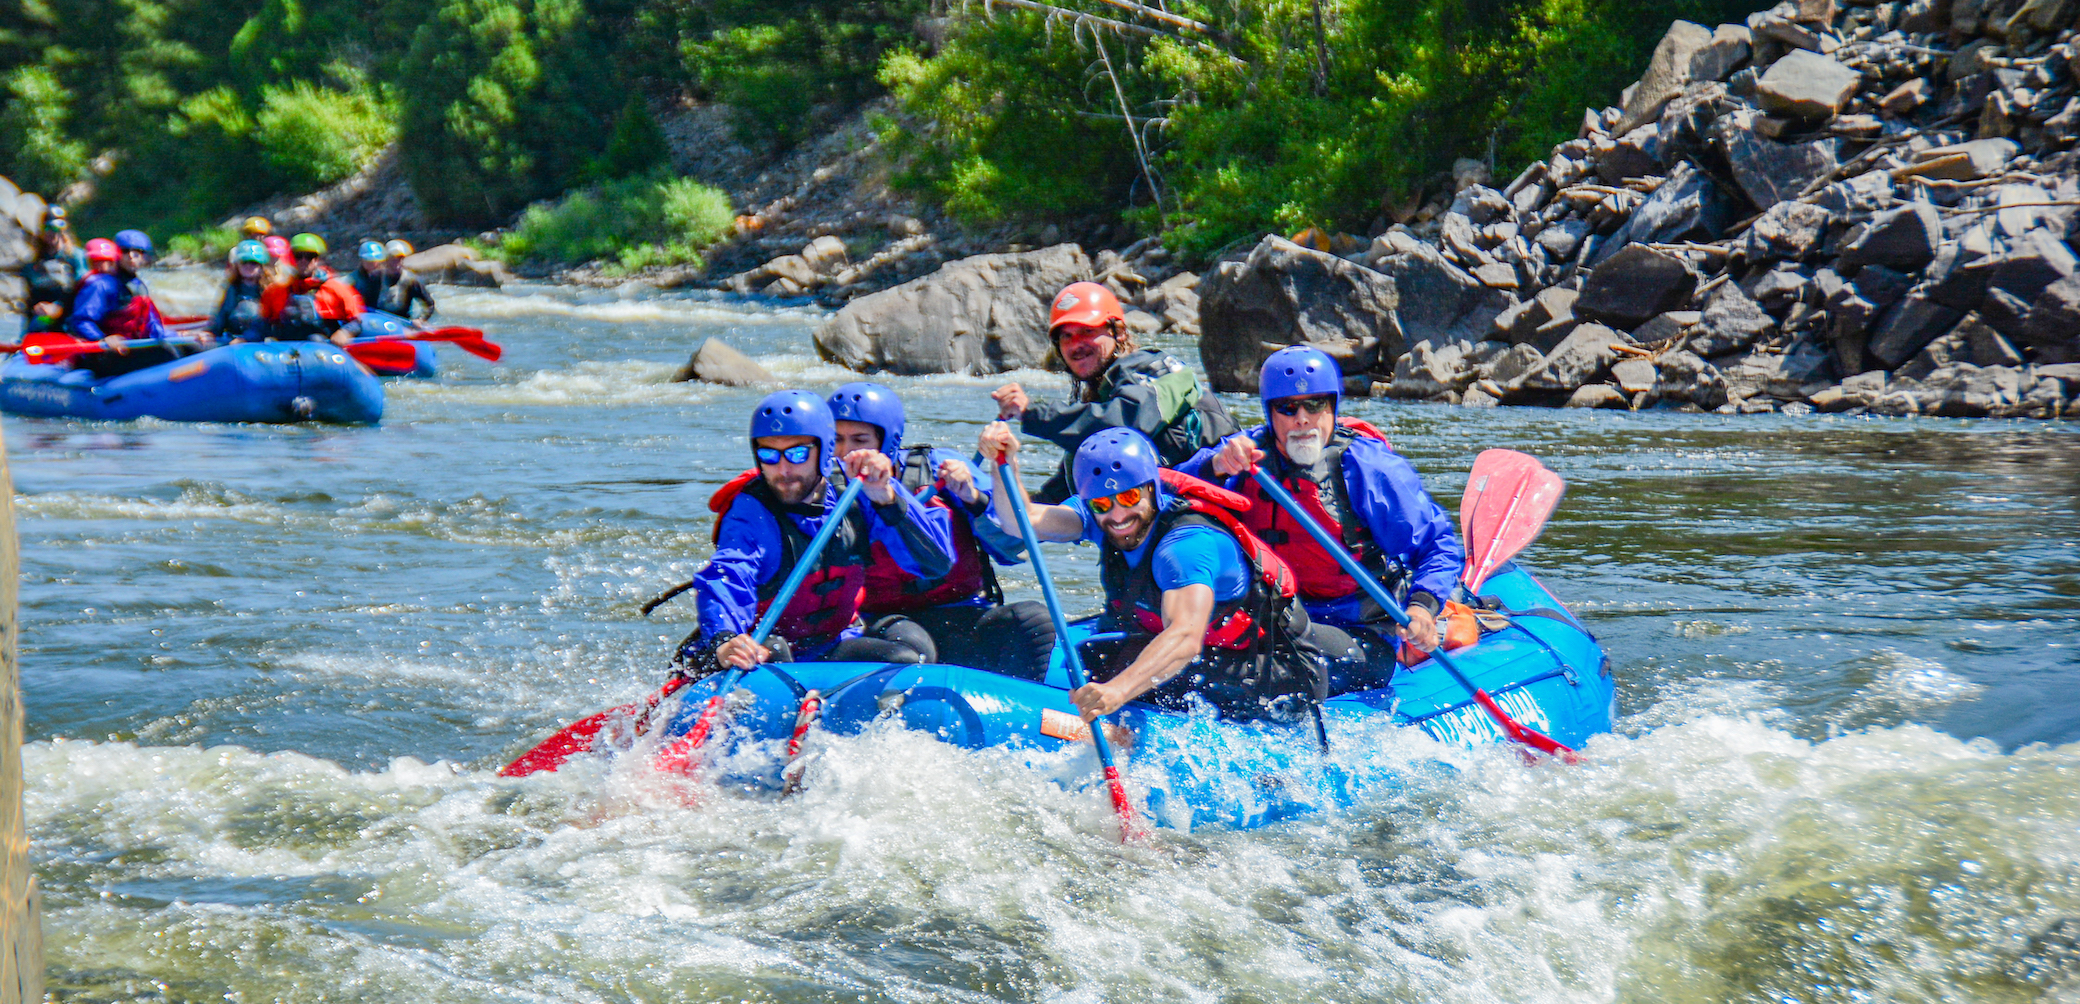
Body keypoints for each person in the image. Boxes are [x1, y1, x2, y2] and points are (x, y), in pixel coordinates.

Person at [981, 423, 1326, 725]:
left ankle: (1132, 734)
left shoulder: (1186, 546)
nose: (1117, 515)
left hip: (1278, 670)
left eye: (1130, 497)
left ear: (1152, 489)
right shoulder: (1105, 517)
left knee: (1160, 683)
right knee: (1090, 662)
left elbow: (1185, 637)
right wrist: (1003, 465)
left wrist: (1116, 692)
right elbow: (1020, 521)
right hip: (1215, 654)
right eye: (1102, 504)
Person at [1179, 346, 1467, 693]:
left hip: (1358, 633)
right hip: (1270, 619)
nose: (1302, 419)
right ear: (1271, 414)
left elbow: (1438, 546)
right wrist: (1213, 467)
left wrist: (1422, 608)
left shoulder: (1369, 469)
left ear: (1332, 407)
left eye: (1315, 405)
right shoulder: (1243, 459)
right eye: (1288, 407)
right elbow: (1162, 499)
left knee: (1280, 663)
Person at [678, 390, 959, 676]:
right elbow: (727, 575)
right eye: (769, 455)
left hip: (831, 643)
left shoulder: (857, 491)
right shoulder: (751, 512)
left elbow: (935, 564)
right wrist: (725, 639)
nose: (783, 470)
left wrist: (887, 498)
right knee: (775, 651)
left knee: (908, 655)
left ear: (824, 450)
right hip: (761, 648)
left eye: (797, 453)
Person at [825, 382, 1056, 677]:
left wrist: (973, 499)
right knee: (914, 648)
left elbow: (1014, 548)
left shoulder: (942, 469)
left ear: (888, 442)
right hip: (884, 620)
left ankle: (1024, 712)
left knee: (1033, 619)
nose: (846, 453)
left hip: (963, 610)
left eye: (860, 440)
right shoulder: (825, 491)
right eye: (837, 441)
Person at [991, 281, 1238, 502]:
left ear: (1118, 332)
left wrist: (1032, 412)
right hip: (1166, 512)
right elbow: (1059, 496)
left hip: (1222, 504)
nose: (1076, 344)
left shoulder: (1155, 371)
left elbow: (1127, 423)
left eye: (1087, 331)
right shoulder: (1102, 403)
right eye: (1067, 336)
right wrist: (979, 500)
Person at [66, 230, 202, 377]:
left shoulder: (139, 287)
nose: (131, 257)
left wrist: (184, 337)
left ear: (145, 258)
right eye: (125, 251)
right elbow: (81, 321)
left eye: (138, 252)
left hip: (133, 348)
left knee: (191, 347)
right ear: (116, 254)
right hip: (104, 354)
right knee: (166, 352)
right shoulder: (101, 284)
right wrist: (102, 339)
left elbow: (154, 328)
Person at [260, 233, 362, 345]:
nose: (303, 261)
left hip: (321, 347)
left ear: (317, 260)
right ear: (290, 258)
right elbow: (261, 323)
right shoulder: (275, 290)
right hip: (286, 345)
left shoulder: (336, 288)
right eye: (298, 256)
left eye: (309, 256)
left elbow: (356, 321)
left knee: (315, 339)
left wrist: (345, 332)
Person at [20, 208, 88, 334]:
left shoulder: (77, 257)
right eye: (47, 228)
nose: (52, 233)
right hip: (43, 319)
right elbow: (29, 300)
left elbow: (83, 289)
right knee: (38, 324)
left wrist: (60, 307)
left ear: (64, 230)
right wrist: (37, 307)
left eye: (57, 228)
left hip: (70, 317)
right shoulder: (33, 264)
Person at [209, 240, 279, 342]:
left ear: (261, 267)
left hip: (261, 343)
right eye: (244, 262)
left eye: (253, 263)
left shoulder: (271, 290)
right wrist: (209, 333)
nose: (248, 266)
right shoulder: (231, 288)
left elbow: (270, 324)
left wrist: (246, 338)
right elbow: (221, 317)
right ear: (237, 265)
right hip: (233, 340)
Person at [380, 239, 436, 320]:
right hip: (377, 321)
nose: (397, 263)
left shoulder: (410, 280)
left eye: (399, 259)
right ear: (386, 260)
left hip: (401, 322)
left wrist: (420, 319)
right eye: (393, 260)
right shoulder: (375, 277)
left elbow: (429, 305)